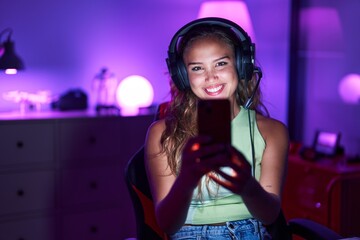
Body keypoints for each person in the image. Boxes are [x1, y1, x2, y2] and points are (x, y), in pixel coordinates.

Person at [144, 17, 289, 239]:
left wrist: (247, 186)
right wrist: (187, 179)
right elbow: (167, 223)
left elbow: (270, 215)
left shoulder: (272, 131)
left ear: (241, 65)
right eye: (197, 68)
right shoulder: (162, 133)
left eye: (221, 63)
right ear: (183, 77)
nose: (210, 77)